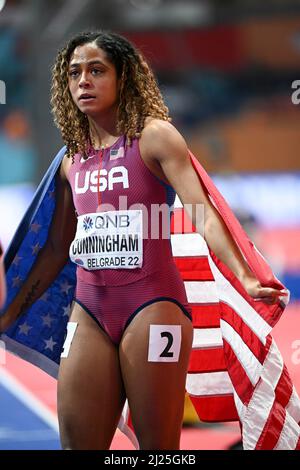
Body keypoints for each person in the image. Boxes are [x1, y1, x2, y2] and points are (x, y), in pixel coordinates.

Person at [0, 31, 285, 450]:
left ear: (124, 78)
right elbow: (58, 250)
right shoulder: (69, 159)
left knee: (157, 448)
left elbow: (203, 214)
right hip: (89, 310)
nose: (83, 81)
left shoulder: (155, 138)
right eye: (74, 73)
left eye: (97, 71)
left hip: (153, 306)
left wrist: (245, 275)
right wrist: (7, 317)